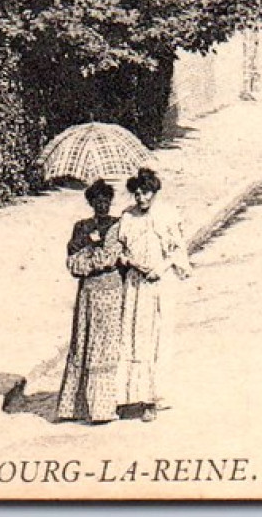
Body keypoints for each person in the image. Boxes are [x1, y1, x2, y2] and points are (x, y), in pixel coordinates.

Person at [116, 168, 191, 420]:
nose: (141, 198)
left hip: (161, 283)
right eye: (136, 193)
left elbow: (178, 250)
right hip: (136, 284)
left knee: (158, 337)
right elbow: (121, 250)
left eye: (146, 193)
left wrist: (160, 268)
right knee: (134, 336)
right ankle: (130, 396)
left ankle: (153, 399)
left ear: (155, 192)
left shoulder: (168, 215)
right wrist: (131, 262)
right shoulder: (127, 217)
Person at [55, 180, 127, 424]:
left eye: (106, 200)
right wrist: (92, 251)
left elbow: (110, 259)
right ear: (90, 202)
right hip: (87, 294)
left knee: (107, 345)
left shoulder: (119, 226)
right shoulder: (81, 227)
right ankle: (77, 406)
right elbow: (75, 265)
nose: (102, 205)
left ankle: (104, 407)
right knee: (84, 343)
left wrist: (96, 249)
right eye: (97, 201)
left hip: (112, 293)